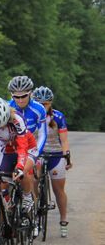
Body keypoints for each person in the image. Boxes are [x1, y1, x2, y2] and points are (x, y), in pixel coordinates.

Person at [33, 86, 71, 237]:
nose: (43, 106)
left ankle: (63, 220)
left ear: (51, 103)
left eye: (46, 104)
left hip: (55, 155)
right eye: (40, 103)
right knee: (33, 186)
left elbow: (64, 140)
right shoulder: (31, 115)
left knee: (58, 190)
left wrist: (67, 155)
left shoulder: (58, 117)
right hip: (38, 155)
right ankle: (34, 219)